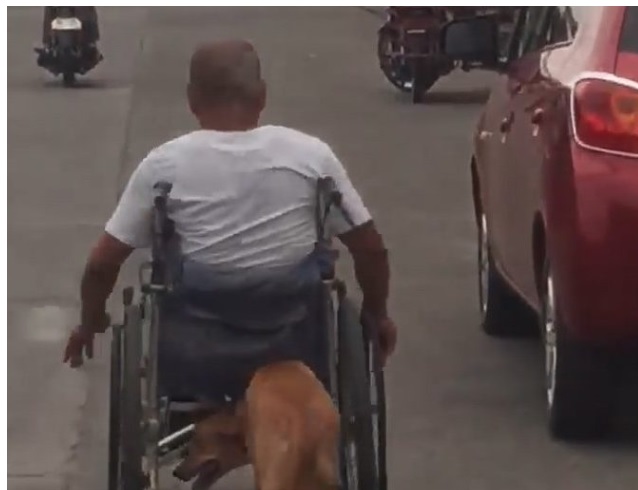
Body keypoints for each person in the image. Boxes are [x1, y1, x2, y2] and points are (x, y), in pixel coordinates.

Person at [63, 39, 396, 370]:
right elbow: (370, 249)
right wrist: (376, 313)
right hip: (295, 331)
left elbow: (101, 265)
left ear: (192, 100)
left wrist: (89, 321)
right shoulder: (312, 157)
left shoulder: (163, 167)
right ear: (262, 96)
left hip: (195, 339)